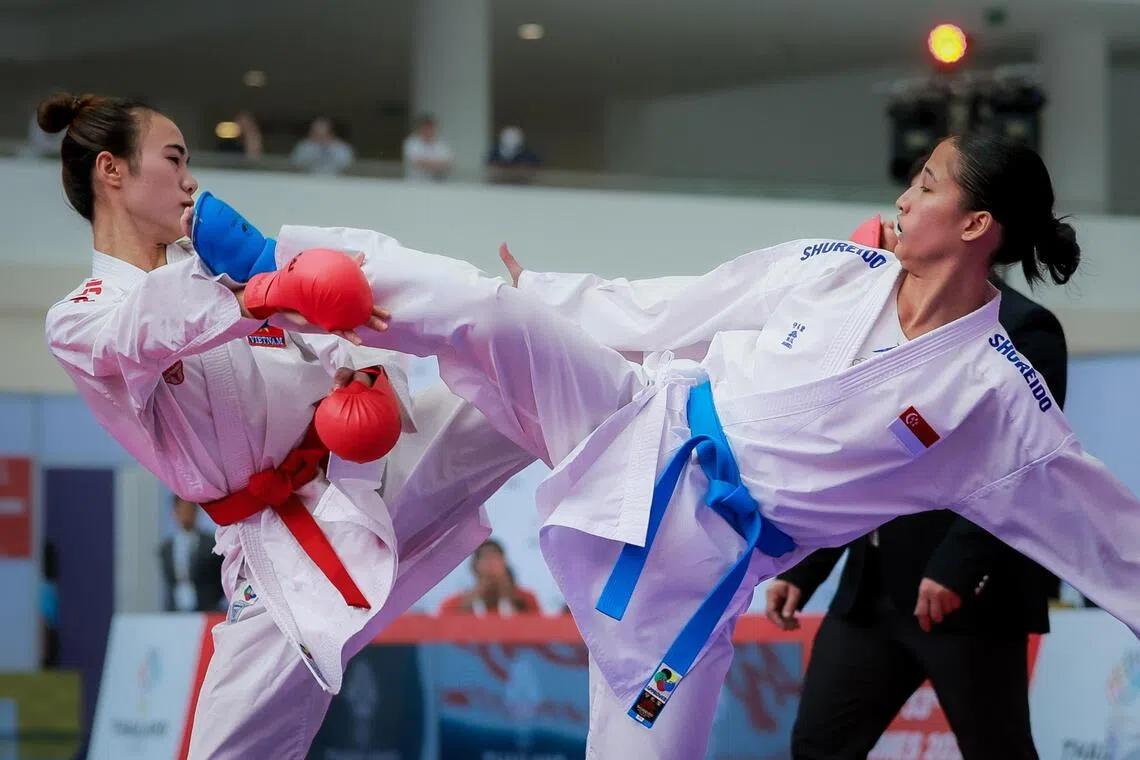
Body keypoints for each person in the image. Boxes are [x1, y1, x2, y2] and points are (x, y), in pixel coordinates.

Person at [192, 132, 1140, 760]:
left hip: (700, 576)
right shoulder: (834, 271)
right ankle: (273, 261)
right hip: (638, 427)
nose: (901, 194)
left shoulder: (993, 396)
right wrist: (557, 296)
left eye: (926, 184)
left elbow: (1107, 538)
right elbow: (673, 308)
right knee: (491, 311)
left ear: (974, 226)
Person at [38, 92, 536, 760]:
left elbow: (337, 329)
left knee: (527, 372)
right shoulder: (82, 317)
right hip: (281, 547)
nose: (190, 181)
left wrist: (366, 376)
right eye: (174, 159)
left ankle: (680, 379)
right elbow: (144, 330)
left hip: (371, 468)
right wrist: (256, 287)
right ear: (112, 171)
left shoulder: (226, 272)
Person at [764, 195, 1064, 758]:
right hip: (868, 595)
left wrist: (956, 569)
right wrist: (804, 569)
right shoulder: (878, 329)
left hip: (966, 600)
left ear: (971, 230)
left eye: (926, 190)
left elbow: (1022, 466)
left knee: (996, 749)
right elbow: (855, 465)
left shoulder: (1025, 330)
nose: (902, 208)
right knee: (817, 745)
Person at [439, 539, 541, 615]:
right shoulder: (454, 604)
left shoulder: (526, 600)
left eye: (495, 558)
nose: (490, 564)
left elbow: (541, 637)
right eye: (485, 559)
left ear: (505, 564)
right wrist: (465, 606)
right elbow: (442, 638)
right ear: (474, 566)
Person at [160, 496, 225, 612]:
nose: (185, 514)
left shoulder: (211, 544)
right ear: (174, 512)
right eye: (181, 510)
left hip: (208, 610)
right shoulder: (166, 548)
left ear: (196, 512)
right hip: (175, 611)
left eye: (188, 510)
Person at [402, 114, 454, 182]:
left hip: (436, 185)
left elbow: (448, 165)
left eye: (430, 128)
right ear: (420, 129)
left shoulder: (441, 144)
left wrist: (428, 163)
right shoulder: (412, 143)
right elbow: (418, 163)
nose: (428, 131)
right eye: (425, 128)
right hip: (415, 184)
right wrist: (438, 164)